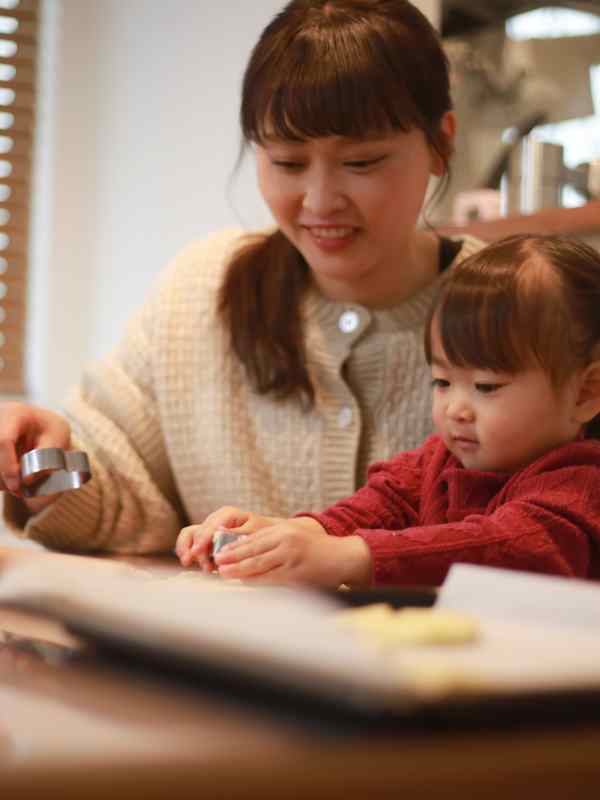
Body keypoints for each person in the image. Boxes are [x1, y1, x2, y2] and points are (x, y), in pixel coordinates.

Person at [0, 0, 483, 553]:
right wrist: (41, 464)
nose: (320, 202)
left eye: (362, 163)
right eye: (287, 163)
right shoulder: (202, 292)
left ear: (441, 142)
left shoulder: (520, 308)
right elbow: (118, 492)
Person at [176, 234, 600, 587]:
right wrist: (274, 535)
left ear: (586, 392)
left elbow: (509, 547)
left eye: (486, 386)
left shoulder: (583, 487)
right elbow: (370, 509)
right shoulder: (436, 462)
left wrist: (346, 557)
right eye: (442, 382)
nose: (456, 409)